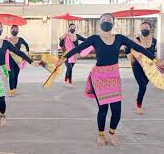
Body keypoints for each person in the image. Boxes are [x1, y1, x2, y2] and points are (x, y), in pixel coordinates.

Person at [55, 13, 155, 146]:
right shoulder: (94, 39)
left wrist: (155, 59)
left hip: (114, 77)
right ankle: (101, 134)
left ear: (113, 23)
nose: (106, 21)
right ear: (100, 23)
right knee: (103, 110)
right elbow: (77, 49)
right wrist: (61, 59)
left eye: (109, 20)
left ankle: (112, 134)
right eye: (103, 20)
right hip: (99, 77)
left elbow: (138, 48)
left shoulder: (119, 38)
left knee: (116, 110)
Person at [125, 21, 157, 115]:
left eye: (146, 28)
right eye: (142, 28)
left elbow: (153, 54)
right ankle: (139, 106)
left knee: (143, 87)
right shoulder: (136, 40)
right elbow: (127, 49)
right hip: (137, 66)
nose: (144, 30)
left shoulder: (154, 41)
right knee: (142, 86)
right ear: (140, 29)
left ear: (150, 29)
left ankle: (138, 102)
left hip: (149, 68)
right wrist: (131, 59)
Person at [7, 25, 30, 96]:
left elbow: (26, 45)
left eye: (16, 29)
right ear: (10, 31)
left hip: (18, 60)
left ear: (18, 31)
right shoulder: (7, 40)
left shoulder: (20, 39)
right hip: (10, 60)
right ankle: (11, 91)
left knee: (16, 75)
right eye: (13, 29)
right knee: (11, 75)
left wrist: (27, 53)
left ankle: (15, 89)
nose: (14, 31)